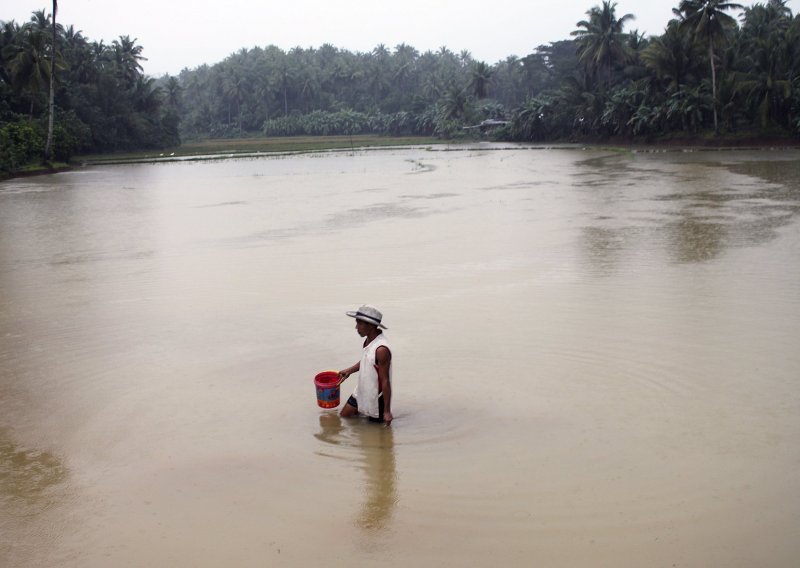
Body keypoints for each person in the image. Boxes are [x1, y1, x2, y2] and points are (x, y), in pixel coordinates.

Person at [338, 305, 393, 425]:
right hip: (362, 390)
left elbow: (385, 381)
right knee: (343, 416)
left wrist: (387, 411)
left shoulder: (381, 349)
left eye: (359, 323)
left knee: (374, 434)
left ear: (371, 325)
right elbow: (367, 360)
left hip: (375, 397)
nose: (356, 327)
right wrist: (349, 371)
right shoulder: (369, 340)